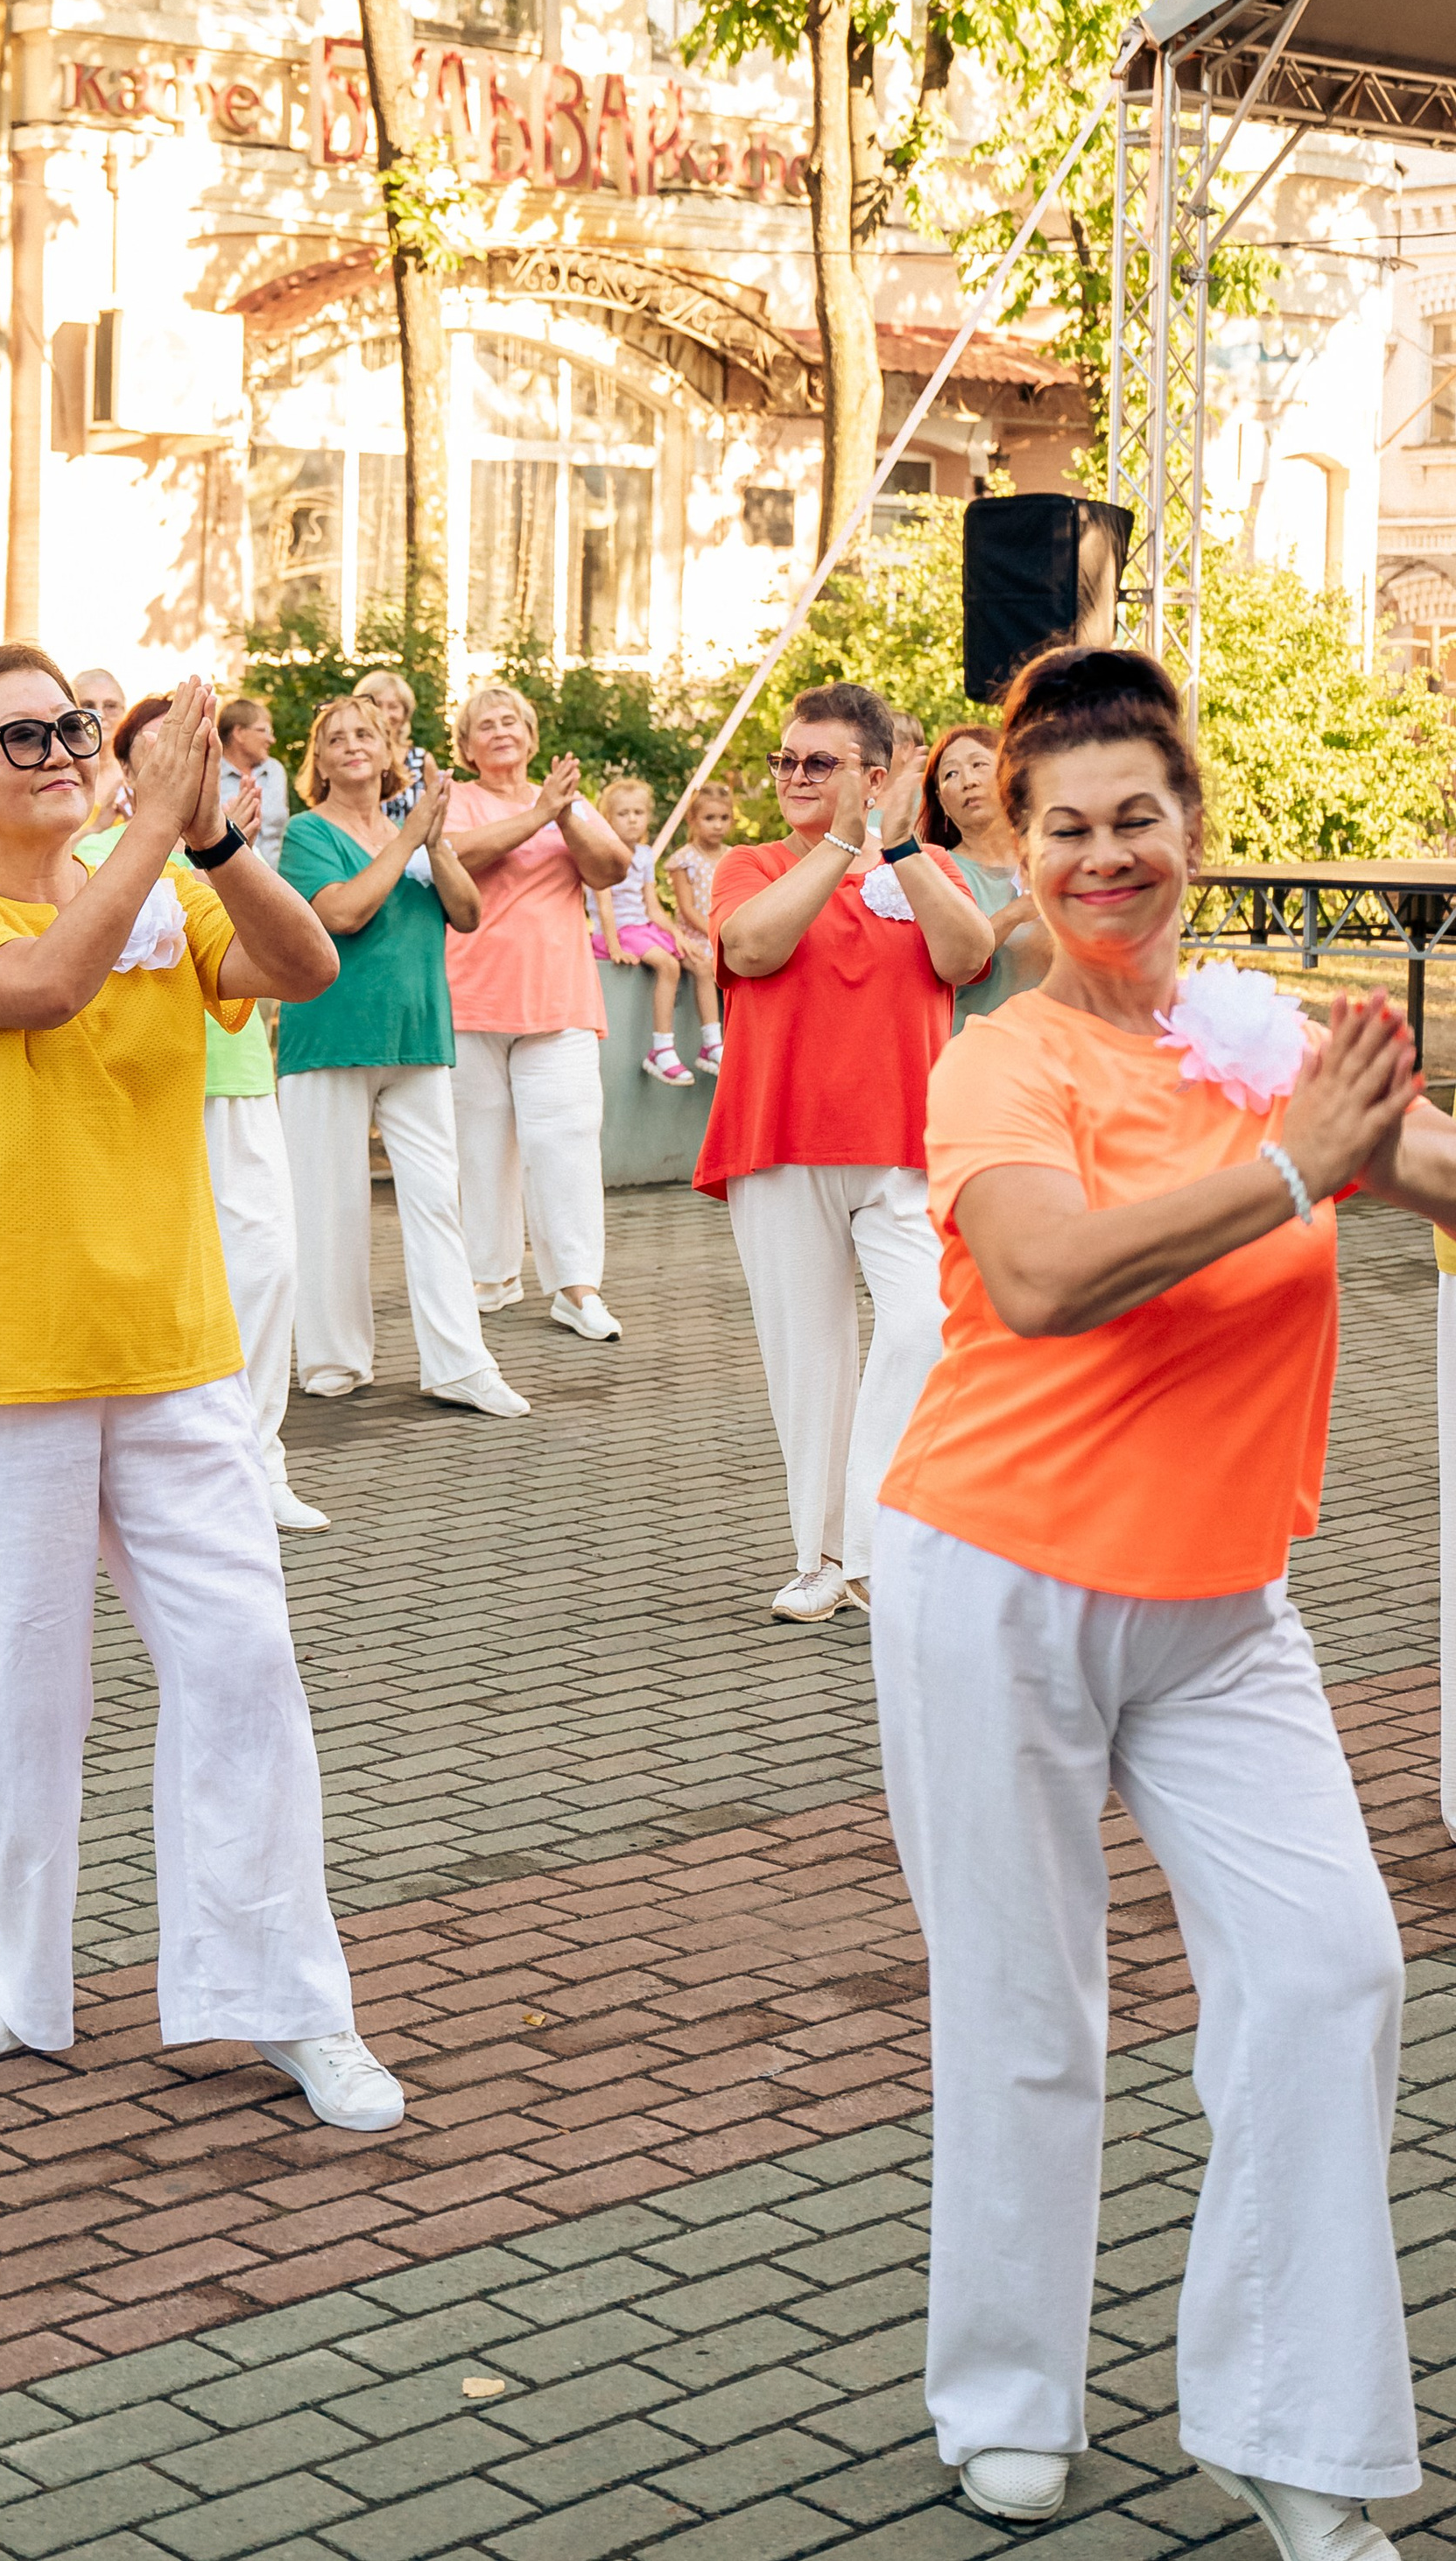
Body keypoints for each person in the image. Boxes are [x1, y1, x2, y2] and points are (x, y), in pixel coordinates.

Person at [873, 640, 1456, 2560]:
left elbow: (1425, 1166)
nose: (1102, 854)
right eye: (1064, 827)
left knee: (1325, 1968)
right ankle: (1005, 2393)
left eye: (1136, 819)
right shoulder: (1000, 1058)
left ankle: (1293, 2435)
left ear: (1191, 836)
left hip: (1218, 1603)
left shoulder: (1250, 1031)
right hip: (1000, 1577)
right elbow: (1041, 1278)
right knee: (1028, 2004)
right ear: (1015, 849)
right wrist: (1292, 1177)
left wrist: (1373, 1158)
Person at [0, 646, 405, 2135]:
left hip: (174, 1352)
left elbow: (302, 967)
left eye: (75, 729)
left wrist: (216, 834)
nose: (58, 754)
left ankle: (289, 2001)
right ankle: (22, 1971)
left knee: (244, 1666)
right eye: (20, 736)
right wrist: (155, 834)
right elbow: (39, 988)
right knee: (13, 1697)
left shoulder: (167, 886)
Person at [700, 680, 991, 1622]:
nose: (791, 774)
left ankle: (867, 1540)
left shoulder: (922, 865)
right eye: (785, 759)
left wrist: (895, 847)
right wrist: (834, 844)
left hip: (904, 1147)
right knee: (808, 1361)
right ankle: (823, 1556)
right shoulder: (749, 863)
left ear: (872, 777)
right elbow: (749, 948)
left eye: (816, 763)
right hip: (778, 1142)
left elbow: (965, 956)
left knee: (925, 1326)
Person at [83, 698, 323, 1530]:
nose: (187, 770)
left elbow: (295, 957)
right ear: (125, 771)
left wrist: (230, 851)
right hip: (139, 1098)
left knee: (266, 1268)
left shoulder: (226, 857)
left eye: (202, 757)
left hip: (240, 1081)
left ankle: (259, 1460)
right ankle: (158, 1469)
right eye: (163, 754)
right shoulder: (82, 857)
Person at [278, 694, 527, 1420]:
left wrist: (435, 839)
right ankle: (333, 1360)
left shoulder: (414, 832)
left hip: (418, 1038)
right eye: (336, 738)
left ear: (390, 753)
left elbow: (470, 913)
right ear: (317, 762)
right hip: (329, 1039)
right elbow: (342, 911)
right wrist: (411, 836)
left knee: (437, 1203)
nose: (353, 745)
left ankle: (460, 1363)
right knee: (330, 1205)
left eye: (368, 734)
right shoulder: (306, 831)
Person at [443, 680, 630, 1343]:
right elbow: (455, 856)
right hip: (471, 998)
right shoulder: (457, 802)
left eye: (511, 721)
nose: (499, 729)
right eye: (484, 724)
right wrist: (538, 813)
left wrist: (562, 811)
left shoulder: (567, 805)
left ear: (531, 737)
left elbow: (612, 866)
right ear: (466, 747)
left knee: (567, 1142)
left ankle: (577, 1287)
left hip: (559, 999)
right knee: (480, 1146)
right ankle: (487, 1277)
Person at [923, 722, 1050, 1030]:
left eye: (979, 765)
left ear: (1009, 774)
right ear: (942, 801)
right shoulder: (932, 870)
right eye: (951, 774)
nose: (968, 781)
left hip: (1058, 1053)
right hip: (974, 1055)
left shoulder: (1052, 855)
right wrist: (1015, 914)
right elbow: (939, 969)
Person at [590, 773, 693, 1085]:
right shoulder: (601, 854)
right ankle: (661, 1050)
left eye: (638, 813)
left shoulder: (645, 855)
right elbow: (604, 906)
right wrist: (614, 946)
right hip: (618, 931)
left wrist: (678, 935)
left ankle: (712, 1042)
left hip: (642, 927)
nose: (632, 820)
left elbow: (653, 907)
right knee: (667, 964)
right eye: (623, 813)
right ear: (608, 819)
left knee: (698, 962)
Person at [666, 776, 734, 1073]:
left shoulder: (733, 857)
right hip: (694, 935)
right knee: (705, 966)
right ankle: (710, 1043)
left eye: (723, 818)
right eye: (709, 818)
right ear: (692, 820)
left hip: (725, 933)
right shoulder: (684, 859)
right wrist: (713, 930)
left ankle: (736, 1039)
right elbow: (686, 908)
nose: (717, 825)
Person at [217, 696, 290, 869]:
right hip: (227, 880)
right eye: (264, 730)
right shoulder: (208, 775)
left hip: (278, 881)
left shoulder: (275, 771)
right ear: (239, 733)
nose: (271, 740)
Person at [354, 669, 427, 822]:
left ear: (405, 714)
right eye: (377, 705)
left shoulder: (422, 761)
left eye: (393, 706)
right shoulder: (352, 756)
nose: (385, 715)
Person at [74, 665, 129, 829]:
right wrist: (96, 828)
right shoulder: (60, 772)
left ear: (124, 711)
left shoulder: (139, 773)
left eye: (110, 706)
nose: (100, 715)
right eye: (88, 705)